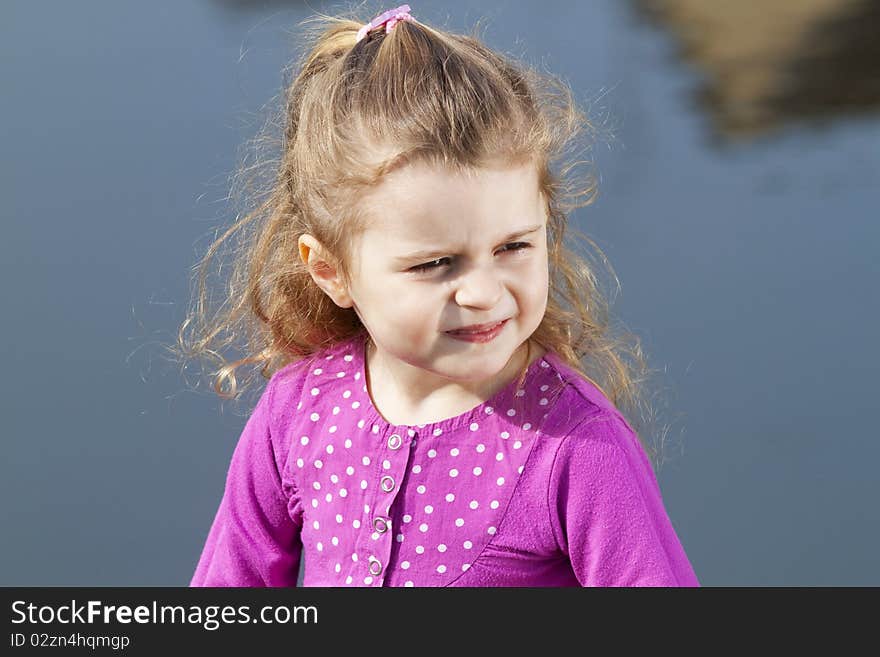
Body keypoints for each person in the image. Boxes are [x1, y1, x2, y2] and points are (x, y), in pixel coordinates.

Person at [183, 5, 700, 587]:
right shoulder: (297, 413)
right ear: (332, 272)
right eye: (435, 263)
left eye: (513, 247)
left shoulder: (578, 450)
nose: (483, 293)